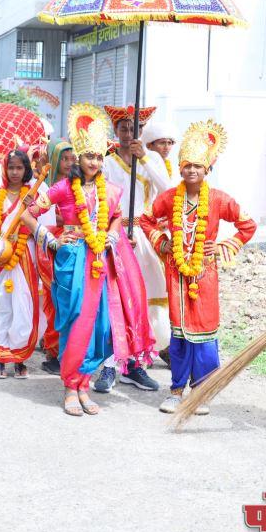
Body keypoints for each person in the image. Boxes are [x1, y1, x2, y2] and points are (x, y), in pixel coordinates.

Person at [19, 114, 157, 416]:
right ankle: (70, 387)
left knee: (100, 324)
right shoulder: (63, 188)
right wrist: (50, 240)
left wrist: (110, 234)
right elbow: (28, 214)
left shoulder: (111, 191)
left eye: (97, 156)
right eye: (88, 156)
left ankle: (84, 383)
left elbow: (117, 216)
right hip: (72, 261)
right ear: (78, 158)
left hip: (101, 262)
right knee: (75, 320)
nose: (93, 162)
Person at [139, 120, 257, 414]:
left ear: (208, 170)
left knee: (204, 333)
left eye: (198, 166)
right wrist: (161, 241)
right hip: (176, 273)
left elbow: (248, 225)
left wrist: (221, 247)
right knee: (178, 333)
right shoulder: (168, 198)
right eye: (187, 165)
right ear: (180, 168)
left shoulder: (218, 200)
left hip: (205, 274)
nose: (192, 170)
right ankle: (177, 390)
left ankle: (200, 392)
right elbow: (145, 220)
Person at [97, 104, 168, 393]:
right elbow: (103, 202)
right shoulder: (107, 163)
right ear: (116, 131)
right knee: (116, 301)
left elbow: (168, 190)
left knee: (143, 302)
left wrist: (146, 160)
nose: (129, 134)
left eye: (135, 128)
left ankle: (136, 364)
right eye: (124, 128)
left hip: (144, 236)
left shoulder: (152, 159)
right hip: (116, 235)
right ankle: (111, 365)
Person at [0, 150, 46, 379]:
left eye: (19, 168)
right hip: (2, 257)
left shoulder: (33, 194)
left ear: (26, 170)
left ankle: (20, 357)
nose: (14, 172)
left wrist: (32, 205)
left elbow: (39, 225)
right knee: (5, 307)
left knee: (25, 307)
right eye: (11, 167)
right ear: (5, 169)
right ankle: (1, 356)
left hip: (25, 255)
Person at [36, 138, 75, 375]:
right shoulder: (42, 187)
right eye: (64, 158)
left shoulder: (78, 184)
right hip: (50, 243)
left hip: (72, 242)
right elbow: (38, 217)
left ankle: (68, 348)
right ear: (54, 159)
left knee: (69, 298)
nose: (69, 163)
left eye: (73, 159)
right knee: (53, 297)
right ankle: (53, 349)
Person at [142, 119, 179, 184]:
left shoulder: (174, 166)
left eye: (169, 143)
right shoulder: (143, 165)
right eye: (162, 143)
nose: (166, 147)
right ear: (149, 146)